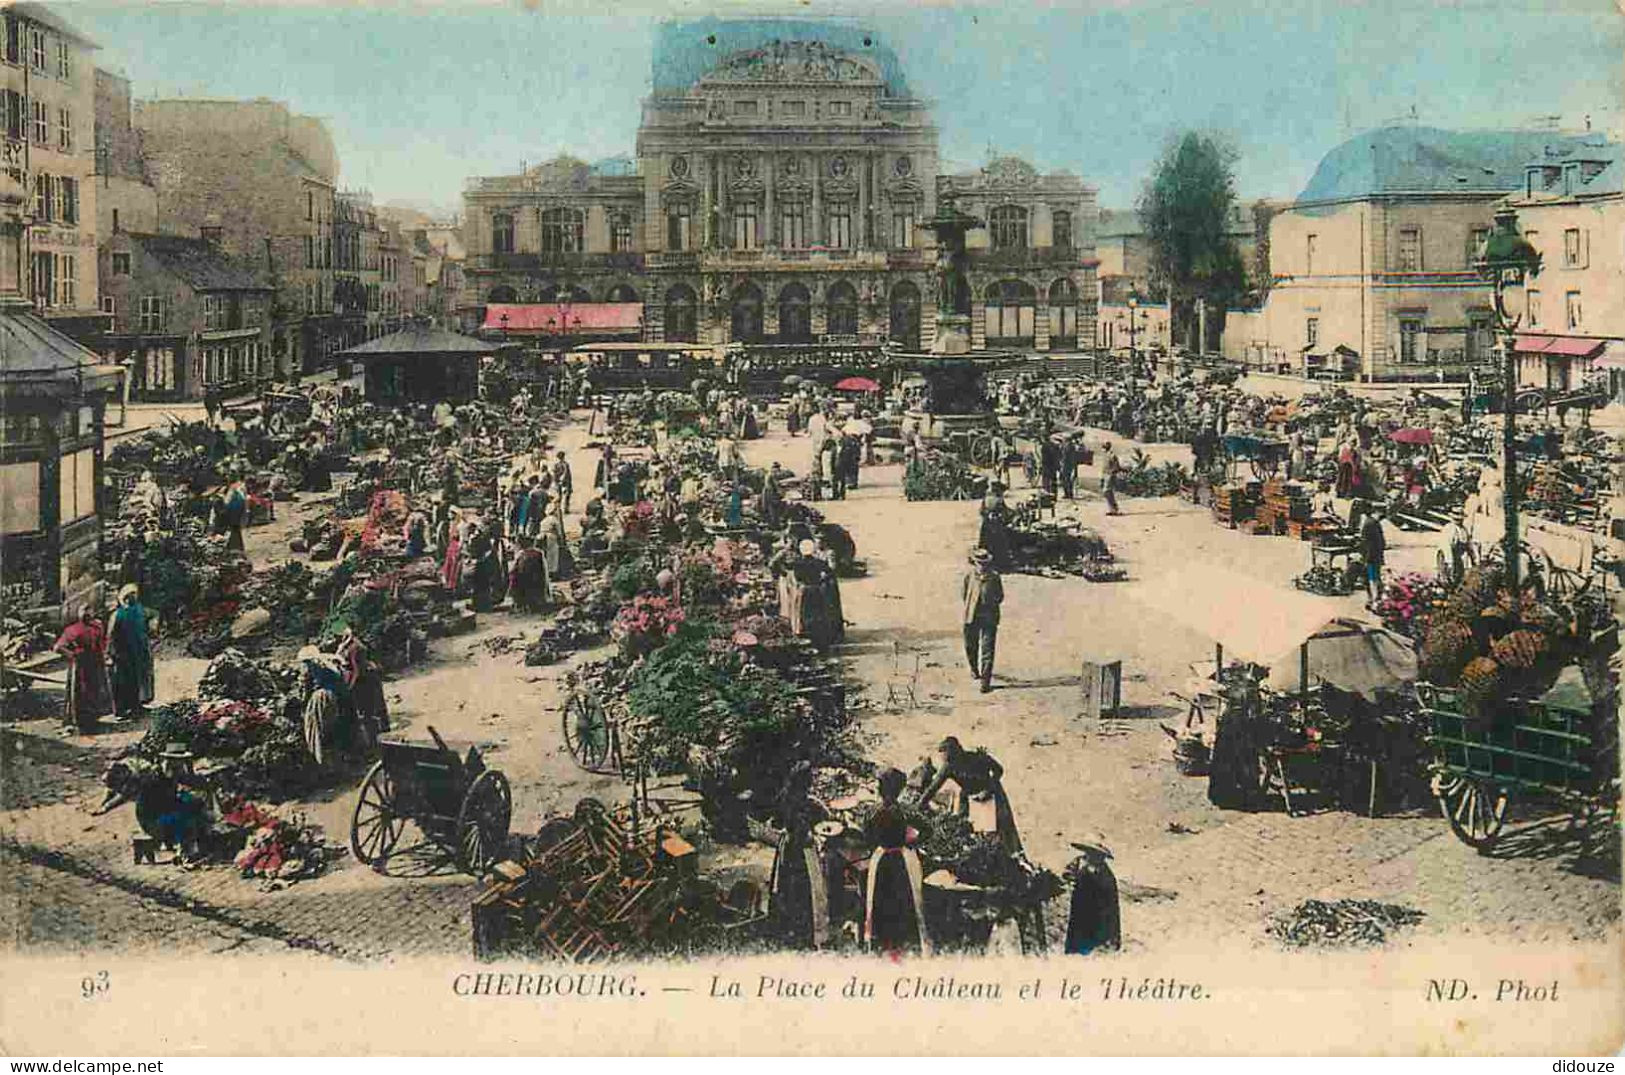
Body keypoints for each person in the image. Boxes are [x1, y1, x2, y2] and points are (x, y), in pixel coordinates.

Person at [863, 767, 931, 956]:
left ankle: (881, 943)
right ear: (899, 789)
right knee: (902, 899)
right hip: (901, 859)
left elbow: (866, 837)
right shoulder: (905, 811)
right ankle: (903, 943)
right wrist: (912, 841)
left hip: (881, 859)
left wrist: (877, 844)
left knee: (880, 899)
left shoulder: (872, 812)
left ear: (881, 789)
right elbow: (928, 829)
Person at [917, 736, 1021, 854]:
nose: (946, 761)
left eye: (948, 757)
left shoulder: (977, 758)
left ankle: (1010, 855)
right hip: (970, 797)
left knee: (1000, 829)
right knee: (966, 828)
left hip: (991, 794)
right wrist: (920, 805)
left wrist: (988, 789)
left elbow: (999, 770)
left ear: (957, 753)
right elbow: (933, 788)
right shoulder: (948, 767)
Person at [54, 605, 111, 733]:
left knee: (94, 689)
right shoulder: (72, 630)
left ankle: (93, 720)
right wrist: (72, 655)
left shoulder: (98, 626)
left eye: (89, 612)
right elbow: (58, 647)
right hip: (80, 665)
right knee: (80, 692)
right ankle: (80, 722)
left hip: (95, 663)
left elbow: (103, 642)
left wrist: (104, 655)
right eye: (84, 612)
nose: (87, 615)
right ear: (79, 614)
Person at [1063, 838, 1121, 955]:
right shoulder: (1081, 865)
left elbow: (1111, 909)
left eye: (1094, 854)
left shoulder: (1105, 876)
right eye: (1089, 852)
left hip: (1097, 922)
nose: (1089, 856)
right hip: (1080, 918)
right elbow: (1067, 874)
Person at [107, 584, 154, 721]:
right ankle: (121, 710)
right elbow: (111, 636)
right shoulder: (118, 614)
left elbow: (147, 623)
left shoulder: (138, 611)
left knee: (136, 680)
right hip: (123, 653)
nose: (133, 597)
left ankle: (136, 706)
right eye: (130, 595)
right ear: (125, 598)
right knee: (121, 682)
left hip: (138, 651)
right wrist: (111, 654)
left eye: (135, 594)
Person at [960, 549, 1003, 693]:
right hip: (971, 616)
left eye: (984, 563)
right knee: (970, 645)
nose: (981, 566)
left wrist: (989, 603)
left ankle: (985, 682)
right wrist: (971, 607)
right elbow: (964, 594)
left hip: (989, 618)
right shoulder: (969, 576)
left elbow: (1000, 596)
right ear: (975, 563)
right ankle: (974, 669)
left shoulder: (994, 577)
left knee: (987, 650)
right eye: (979, 563)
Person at [298, 645, 347, 766]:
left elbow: (307, 687)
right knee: (330, 728)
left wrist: (304, 699)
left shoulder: (312, 667)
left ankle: (319, 759)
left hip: (322, 697)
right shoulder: (328, 664)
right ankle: (333, 760)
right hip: (334, 697)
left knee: (315, 727)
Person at [507, 536, 551, 612]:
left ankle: (521, 604)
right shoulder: (539, 553)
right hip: (536, 580)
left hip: (524, 581)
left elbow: (513, 569)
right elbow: (544, 569)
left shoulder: (521, 554)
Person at [977, 482, 1012, 568]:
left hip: (986, 524)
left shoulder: (987, 498)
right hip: (995, 525)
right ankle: (1000, 562)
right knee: (999, 543)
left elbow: (981, 511)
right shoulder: (997, 499)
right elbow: (1004, 511)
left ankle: (987, 560)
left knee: (986, 543)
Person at [1360, 505, 1387, 605]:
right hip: (1372, 556)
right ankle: (1374, 598)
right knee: (1373, 578)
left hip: (1375, 555)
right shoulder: (1370, 524)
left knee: (1375, 577)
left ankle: (1375, 597)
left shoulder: (1373, 523)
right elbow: (1367, 543)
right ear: (1375, 512)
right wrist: (1367, 558)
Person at [220, 478, 248, 554]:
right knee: (235, 530)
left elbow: (227, 503)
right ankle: (236, 546)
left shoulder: (236, 491)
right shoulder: (234, 491)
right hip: (234, 513)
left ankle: (235, 546)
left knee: (235, 529)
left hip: (235, 512)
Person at [1101, 441, 1123, 516]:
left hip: (1110, 475)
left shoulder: (1112, 455)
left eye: (1104, 447)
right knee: (1108, 492)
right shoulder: (1105, 455)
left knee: (1106, 491)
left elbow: (1116, 466)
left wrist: (1112, 473)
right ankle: (1112, 509)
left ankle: (1114, 509)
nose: (1102, 449)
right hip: (1105, 475)